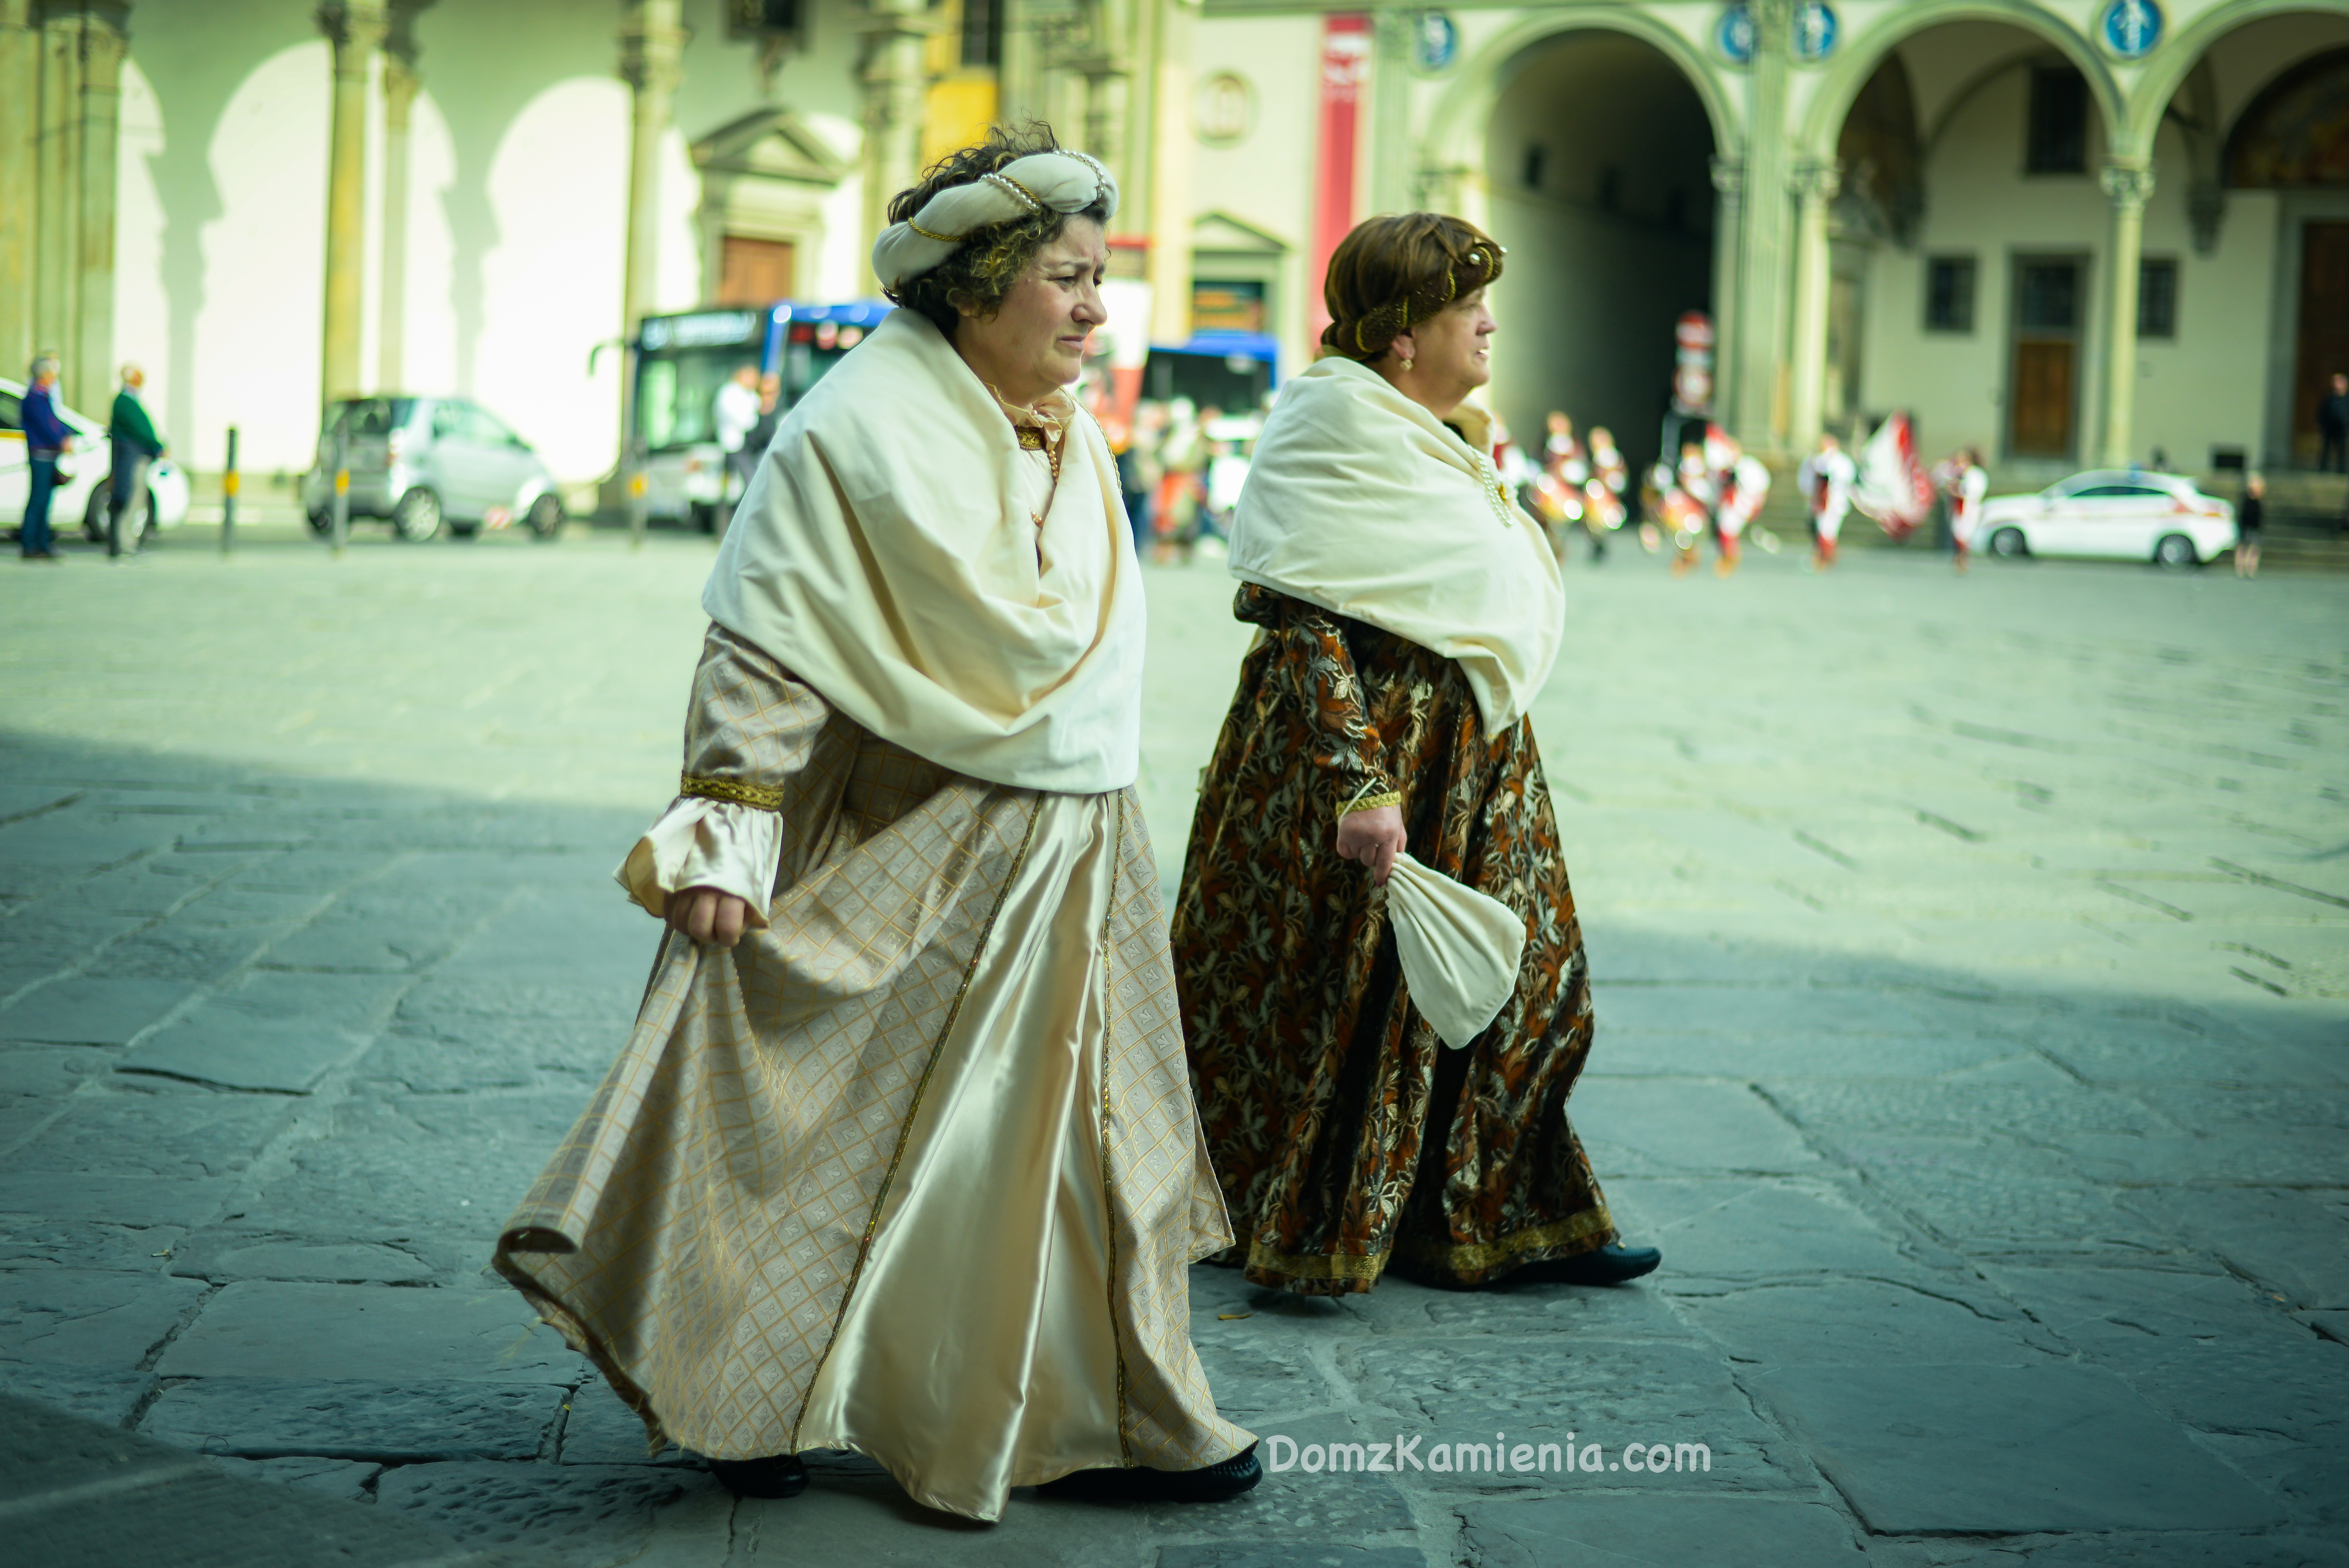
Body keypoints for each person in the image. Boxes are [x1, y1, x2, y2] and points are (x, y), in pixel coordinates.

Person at [494, 127, 1259, 1523]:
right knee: (813, 1134)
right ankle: (745, 1396)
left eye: (1099, 279)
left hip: (1078, 847)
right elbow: (768, 634)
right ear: (975, 288)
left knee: (1102, 1144)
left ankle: (1118, 1410)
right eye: (1066, 279)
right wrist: (729, 818)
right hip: (917, 839)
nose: (1095, 309)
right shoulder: (852, 426)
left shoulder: (1067, 431)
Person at [1170, 212, 1655, 1297]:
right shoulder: (1327, 427)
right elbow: (1301, 620)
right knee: (1347, 1004)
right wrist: (1360, 782)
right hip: (1368, 758)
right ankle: (1319, 1211)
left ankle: (1508, 1207)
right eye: (1463, 310)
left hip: (1473, 755)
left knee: (1530, 986)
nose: (1487, 327)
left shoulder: (1438, 433)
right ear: (1401, 338)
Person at [107, 362, 166, 557]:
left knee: (136, 500)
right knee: (129, 499)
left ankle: (129, 542)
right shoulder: (124, 401)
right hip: (132, 457)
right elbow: (139, 430)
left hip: (137, 456)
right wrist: (157, 446)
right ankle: (124, 543)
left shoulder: (130, 400)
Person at [19, 355, 71, 561]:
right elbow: (47, 426)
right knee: (38, 500)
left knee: (45, 501)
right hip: (41, 454)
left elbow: (56, 422)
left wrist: (67, 435)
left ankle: (43, 543)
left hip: (49, 455)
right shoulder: (34, 399)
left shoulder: (44, 397)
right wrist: (62, 439)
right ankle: (30, 544)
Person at [712, 364, 761, 530]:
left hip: (743, 446)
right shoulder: (729, 393)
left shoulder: (747, 394)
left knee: (739, 486)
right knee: (749, 482)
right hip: (734, 446)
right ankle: (732, 523)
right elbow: (746, 420)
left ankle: (732, 523)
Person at [1801, 432, 1855, 569]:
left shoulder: (1841, 461)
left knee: (1827, 530)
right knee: (1819, 528)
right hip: (1819, 499)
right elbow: (1807, 478)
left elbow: (1842, 479)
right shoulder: (1814, 459)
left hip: (1833, 501)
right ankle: (1825, 555)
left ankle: (1825, 558)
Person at [1950, 447, 1987, 573]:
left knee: (1965, 534)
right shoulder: (1960, 474)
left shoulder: (1976, 474)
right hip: (1959, 508)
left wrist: (1957, 492)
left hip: (1969, 509)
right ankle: (1961, 557)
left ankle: (1963, 558)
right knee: (1958, 532)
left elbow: (1973, 493)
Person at [2235, 472, 2264, 579]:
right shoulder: (2247, 501)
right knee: (2244, 548)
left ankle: (2251, 569)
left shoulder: (2258, 502)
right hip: (2247, 528)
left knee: (2254, 549)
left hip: (2255, 528)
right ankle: (2241, 569)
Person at [2319, 372, 2349, 473]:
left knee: (2342, 450)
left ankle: (2342, 469)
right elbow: (2323, 412)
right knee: (2326, 449)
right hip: (2330, 427)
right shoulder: (2329, 398)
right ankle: (2323, 467)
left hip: (2343, 429)